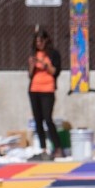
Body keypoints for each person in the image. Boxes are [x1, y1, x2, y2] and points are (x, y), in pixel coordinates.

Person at [27, 29, 63, 161]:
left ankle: (58, 147)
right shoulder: (34, 54)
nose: (39, 44)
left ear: (46, 40)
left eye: (41, 41)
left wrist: (44, 64)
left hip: (48, 89)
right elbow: (30, 75)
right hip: (34, 89)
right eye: (36, 42)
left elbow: (55, 71)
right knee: (38, 120)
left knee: (48, 119)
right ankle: (43, 149)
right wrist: (32, 65)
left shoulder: (53, 54)